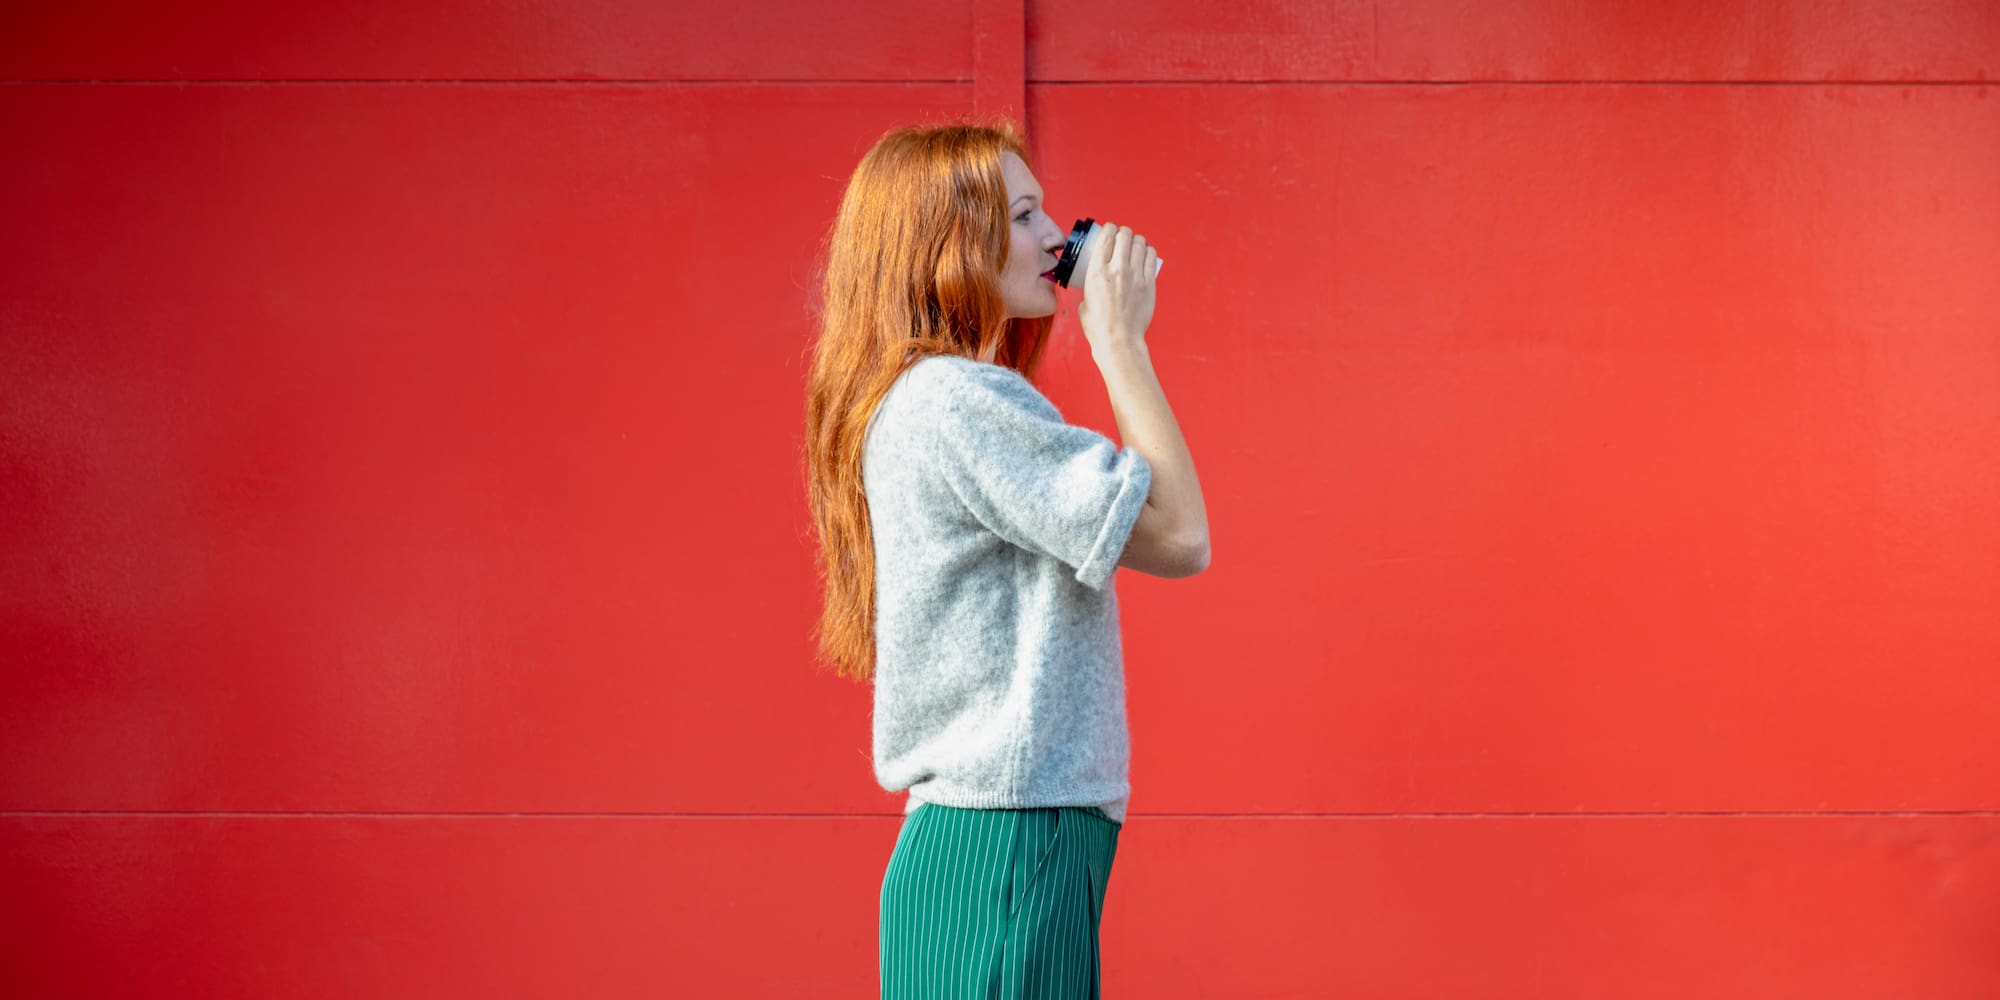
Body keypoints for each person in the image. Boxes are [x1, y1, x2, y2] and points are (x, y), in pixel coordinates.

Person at [801, 118, 1210, 998]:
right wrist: (1120, 344)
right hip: (1011, 841)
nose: (1056, 236)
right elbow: (1181, 537)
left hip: (987, 840)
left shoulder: (926, 400)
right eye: (1022, 214)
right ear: (945, 242)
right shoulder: (958, 401)